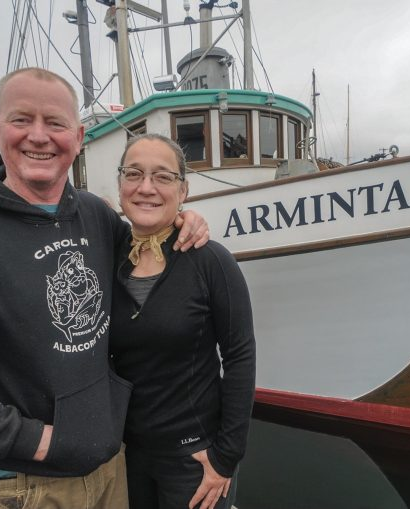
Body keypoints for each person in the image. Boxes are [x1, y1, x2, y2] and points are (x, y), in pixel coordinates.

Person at [0, 68, 208, 509]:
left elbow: (145, 249)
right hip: (20, 486)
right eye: (22, 119)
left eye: (55, 123)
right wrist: (43, 441)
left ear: (77, 137)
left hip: (109, 470)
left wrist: (182, 221)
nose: (39, 136)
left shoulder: (96, 217)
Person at [110, 134, 256, 509]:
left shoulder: (211, 261)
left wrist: (226, 458)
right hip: (129, 456)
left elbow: (239, 356)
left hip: (194, 460)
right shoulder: (107, 258)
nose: (146, 187)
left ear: (183, 190)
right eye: (134, 173)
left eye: (163, 176)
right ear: (120, 184)